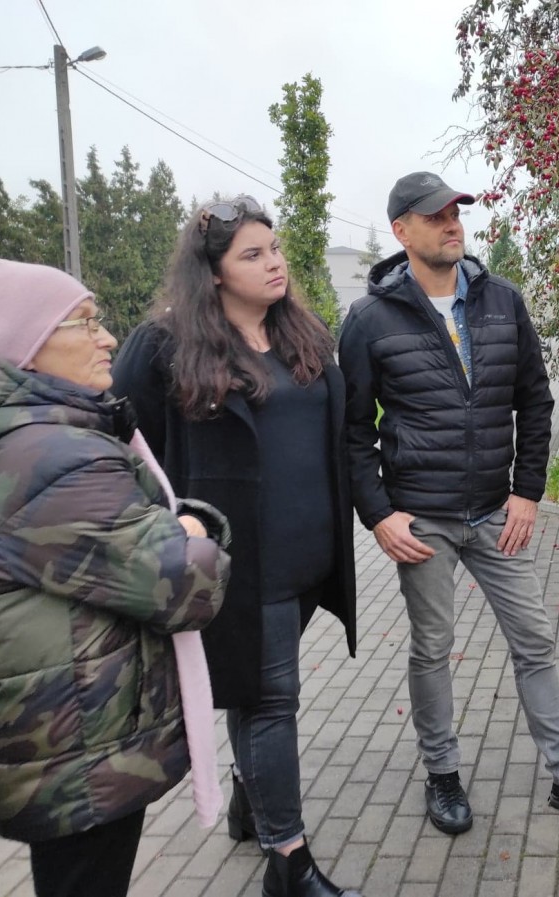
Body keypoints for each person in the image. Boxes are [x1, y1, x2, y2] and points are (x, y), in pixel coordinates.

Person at [338, 171, 559, 835]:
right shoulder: (369, 320)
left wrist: (527, 491)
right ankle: (442, 772)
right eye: (435, 216)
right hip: (422, 518)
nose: (452, 223)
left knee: (534, 637)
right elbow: (352, 431)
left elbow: (535, 400)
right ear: (402, 231)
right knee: (433, 647)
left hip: (492, 512)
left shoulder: (501, 300)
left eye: (455, 212)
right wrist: (379, 513)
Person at [112, 197, 361, 897]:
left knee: (255, 690)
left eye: (273, 248)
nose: (274, 262)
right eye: (252, 254)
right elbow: (123, 446)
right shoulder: (165, 345)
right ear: (214, 272)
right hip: (243, 566)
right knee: (272, 699)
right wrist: (162, 531)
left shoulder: (300, 331)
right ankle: (290, 862)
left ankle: (252, 804)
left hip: (312, 559)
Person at [0, 255, 231, 897]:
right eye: (83, 323)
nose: (107, 337)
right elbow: (182, 586)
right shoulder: (49, 455)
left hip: (50, 730)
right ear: (24, 346)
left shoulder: (9, 439)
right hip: (75, 743)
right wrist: (196, 528)